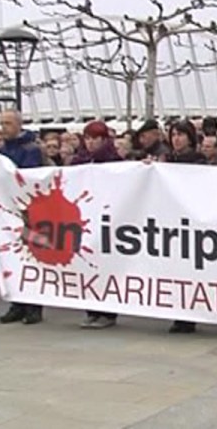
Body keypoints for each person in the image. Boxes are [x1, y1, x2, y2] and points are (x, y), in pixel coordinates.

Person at [0, 110, 46, 326]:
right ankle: (17, 302)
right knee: (12, 257)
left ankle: (34, 306)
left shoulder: (30, 150)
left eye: (7, 123)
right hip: (7, 210)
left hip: (27, 211)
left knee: (30, 256)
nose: (3, 127)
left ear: (18, 125)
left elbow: (28, 177)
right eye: (2, 123)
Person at [72, 121, 122, 330]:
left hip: (108, 219)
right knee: (87, 264)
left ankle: (108, 312)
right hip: (84, 219)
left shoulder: (114, 161)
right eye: (88, 139)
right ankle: (92, 310)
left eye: (95, 139)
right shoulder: (78, 161)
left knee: (106, 266)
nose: (91, 143)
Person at [165, 120, 206, 334]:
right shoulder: (167, 161)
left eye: (181, 134)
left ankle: (190, 315)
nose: (177, 139)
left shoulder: (198, 162)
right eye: (173, 135)